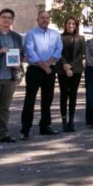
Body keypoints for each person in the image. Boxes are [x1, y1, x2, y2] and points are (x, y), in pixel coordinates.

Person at [21, 10, 63, 139]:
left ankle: (45, 126)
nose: (45, 20)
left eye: (47, 18)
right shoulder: (31, 34)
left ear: (49, 20)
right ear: (37, 19)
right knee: (30, 100)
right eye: (42, 18)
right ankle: (25, 130)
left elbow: (58, 50)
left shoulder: (55, 34)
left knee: (47, 99)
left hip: (50, 71)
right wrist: (43, 66)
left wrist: (49, 63)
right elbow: (30, 50)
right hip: (35, 70)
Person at [0, 8, 24, 144]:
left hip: (10, 78)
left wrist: (18, 63)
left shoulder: (16, 37)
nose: (6, 20)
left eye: (9, 18)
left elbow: (21, 54)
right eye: (3, 17)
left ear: (12, 21)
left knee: (5, 109)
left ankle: (4, 134)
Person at [58, 16, 86, 132]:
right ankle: (64, 120)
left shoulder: (81, 38)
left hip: (76, 69)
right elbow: (57, 52)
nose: (70, 26)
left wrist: (71, 66)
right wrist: (65, 65)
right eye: (69, 23)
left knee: (73, 95)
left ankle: (71, 120)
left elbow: (82, 53)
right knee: (64, 94)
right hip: (61, 69)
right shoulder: (59, 37)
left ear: (76, 26)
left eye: (73, 24)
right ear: (65, 25)